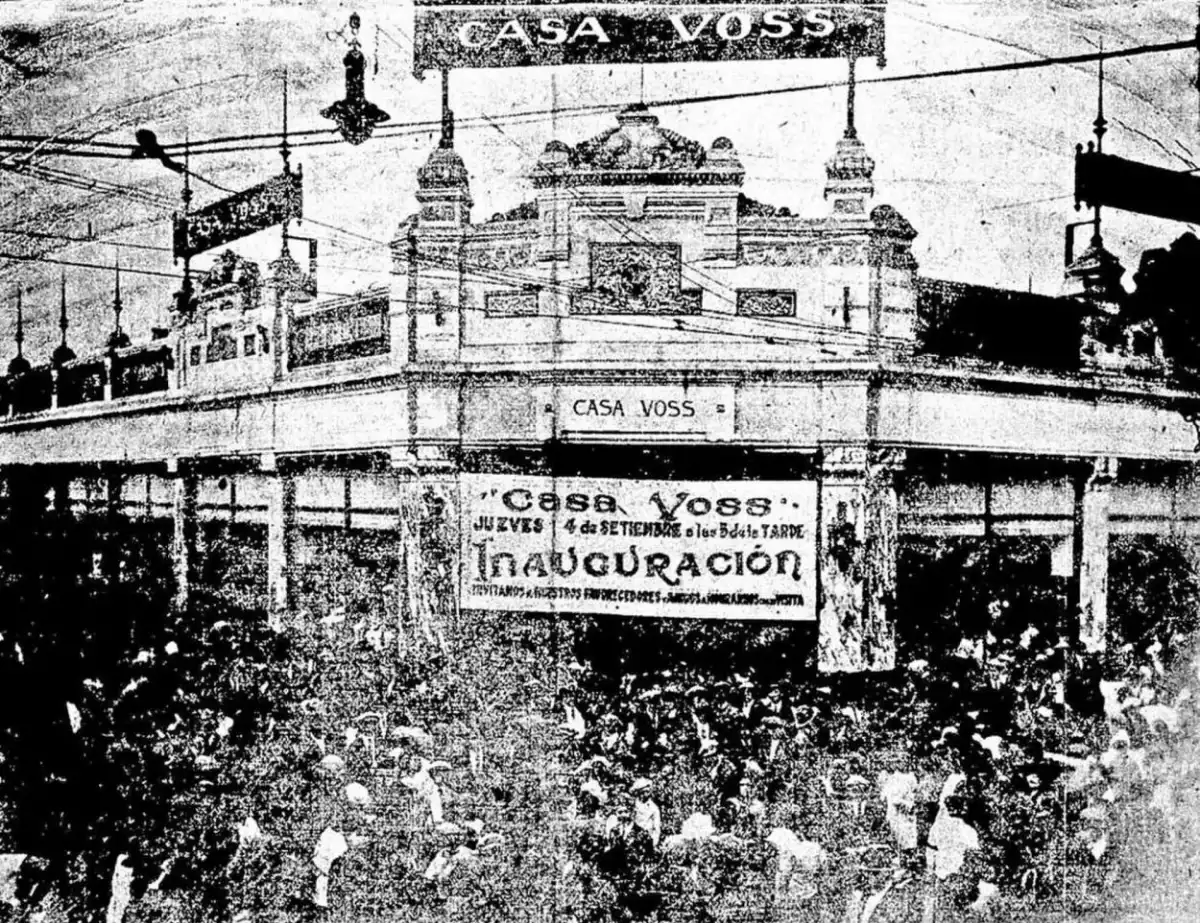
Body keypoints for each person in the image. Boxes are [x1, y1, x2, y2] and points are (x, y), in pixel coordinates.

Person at [630, 779, 661, 849]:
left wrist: (654, 843)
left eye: (648, 791)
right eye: (644, 792)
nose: (647, 794)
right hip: (631, 837)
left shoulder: (653, 808)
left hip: (645, 839)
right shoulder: (632, 804)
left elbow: (656, 827)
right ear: (640, 792)